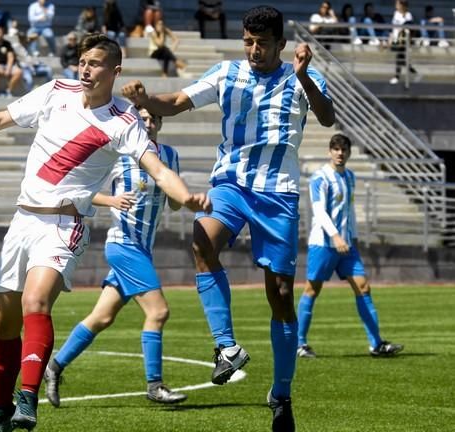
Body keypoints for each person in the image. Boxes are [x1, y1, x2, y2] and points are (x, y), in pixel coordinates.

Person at [0, 33, 211, 432]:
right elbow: (1, 118)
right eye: (83, 62)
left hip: (64, 224)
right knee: (3, 325)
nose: (86, 69)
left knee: (37, 302)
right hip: (24, 220)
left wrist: (188, 198)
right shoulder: (56, 91)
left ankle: (28, 398)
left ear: (115, 71)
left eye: (95, 63)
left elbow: (158, 169)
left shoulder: (124, 120)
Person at [122, 6, 335, 431]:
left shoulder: (301, 77)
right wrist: (145, 100)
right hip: (232, 185)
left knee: (279, 296)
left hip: (278, 194)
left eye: (262, 43)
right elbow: (179, 101)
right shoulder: (227, 73)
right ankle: (226, 347)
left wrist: (305, 75)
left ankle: (281, 392)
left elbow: (328, 118)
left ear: (280, 44)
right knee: (202, 241)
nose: (254, 50)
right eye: (248, 42)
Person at [43, 107, 187, 408]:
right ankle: (155, 385)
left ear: (160, 123)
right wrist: (111, 199)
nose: (148, 123)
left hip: (142, 247)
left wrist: (179, 194)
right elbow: (79, 189)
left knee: (101, 317)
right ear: (135, 122)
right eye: (143, 119)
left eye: (153, 119)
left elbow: (174, 205)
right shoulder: (118, 155)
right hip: (123, 245)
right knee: (158, 312)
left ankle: (54, 367)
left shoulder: (170, 156)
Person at [297, 134, 404, 359]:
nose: (339, 153)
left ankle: (376, 344)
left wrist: (351, 236)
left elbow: (348, 211)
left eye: (343, 149)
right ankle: (300, 344)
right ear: (329, 151)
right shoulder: (320, 178)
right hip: (324, 244)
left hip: (346, 246)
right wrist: (335, 236)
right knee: (311, 290)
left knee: (363, 287)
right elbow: (319, 211)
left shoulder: (350, 178)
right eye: (335, 149)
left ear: (349, 153)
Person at [389, 0, 421, 85]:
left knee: (399, 58)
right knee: (403, 60)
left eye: (398, 3)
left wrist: (409, 42)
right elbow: (393, 28)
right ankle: (416, 74)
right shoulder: (395, 13)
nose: (396, 5)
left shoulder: (408, 15)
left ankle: (396, 77)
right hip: (396, 39)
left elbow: (410, 30)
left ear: (402, 5)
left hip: (403, 41)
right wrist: (390, 38)